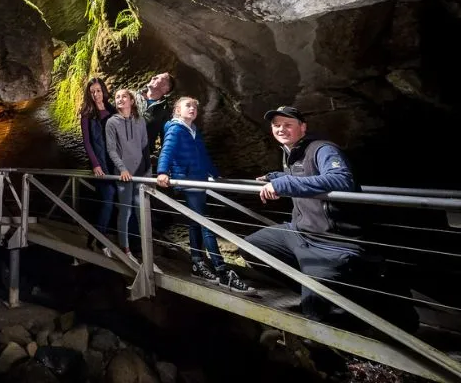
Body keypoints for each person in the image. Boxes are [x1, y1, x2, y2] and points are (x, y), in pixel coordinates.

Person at [246, 106, 416, 329]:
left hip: (331, 241)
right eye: (276, 125)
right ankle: (320, 289)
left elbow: (341, 179)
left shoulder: (322, 149)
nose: (281, 129)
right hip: (300, 233)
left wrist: (284, 183)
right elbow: (302, 175)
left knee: (316, 314)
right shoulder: (291, 152)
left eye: (288, 124)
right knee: (252, 247)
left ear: (303, 127)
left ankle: (359, 302)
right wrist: (275, 176)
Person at [156, 97, 254, 294]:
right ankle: (222, 270)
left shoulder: (193, 130)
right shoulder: (175, 129)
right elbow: (166, 151)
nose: (193, 108)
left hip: (199, 180)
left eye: (195, 106)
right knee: (206, 224)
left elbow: (203, 156)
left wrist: (215, 175)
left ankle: (198, 264)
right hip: (187, 181)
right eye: (188, 106)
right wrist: (162, 172)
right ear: (177, 110)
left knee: (195, 223)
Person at [104, 88, 149, 259]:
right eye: (117, 97)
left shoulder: (140, 121)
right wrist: (122, 168)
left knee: (141, 212)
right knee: (126, 211)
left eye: (124, 96)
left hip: (140, 173)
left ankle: (146, 250)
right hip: (123, 174)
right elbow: (111, 149)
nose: (120, 99)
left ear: (131, 100)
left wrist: (148, 173)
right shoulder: (111, 122)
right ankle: (125, 249)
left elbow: (145, 147)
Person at [79, 77, 115, 250]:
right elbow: (87, 142)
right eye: (92, 92)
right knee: (108, 197)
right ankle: (99, 239)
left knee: (115, 200)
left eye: (98, 91)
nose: (95, 94)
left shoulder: (111, 110)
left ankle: (99, 237)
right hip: (100, 162)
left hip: (114, 161)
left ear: (103, 91)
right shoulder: (87, 113)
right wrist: (95, 164)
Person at [135, 72, 175, 165]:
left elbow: (166, 140)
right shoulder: (131, 97)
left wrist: (160, 162)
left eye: (158, 78)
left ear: (165, 88)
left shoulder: (165, 111)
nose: (153, 77)